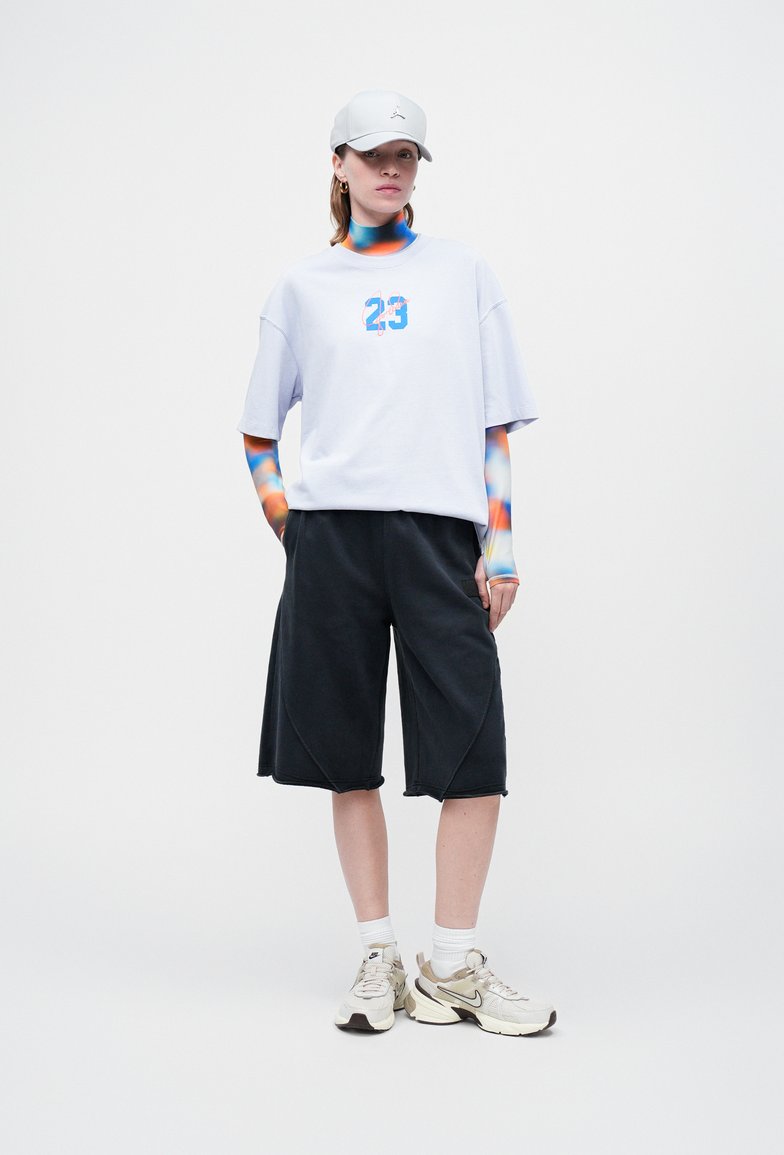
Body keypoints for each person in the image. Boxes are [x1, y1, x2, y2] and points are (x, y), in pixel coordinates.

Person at [237, 89, 557, 1036]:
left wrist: (501, 544)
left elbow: (495, 425)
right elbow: (258, 431)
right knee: (347, 756)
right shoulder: (301, 288)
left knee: (472, 750)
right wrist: (294, 528)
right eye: (373, 154)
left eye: (406, 155)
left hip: (439, 537)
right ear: (337, 164)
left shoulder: (463, 274)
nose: (390, 169)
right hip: (332, 539)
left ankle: (452, 963)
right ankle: (378, 954)